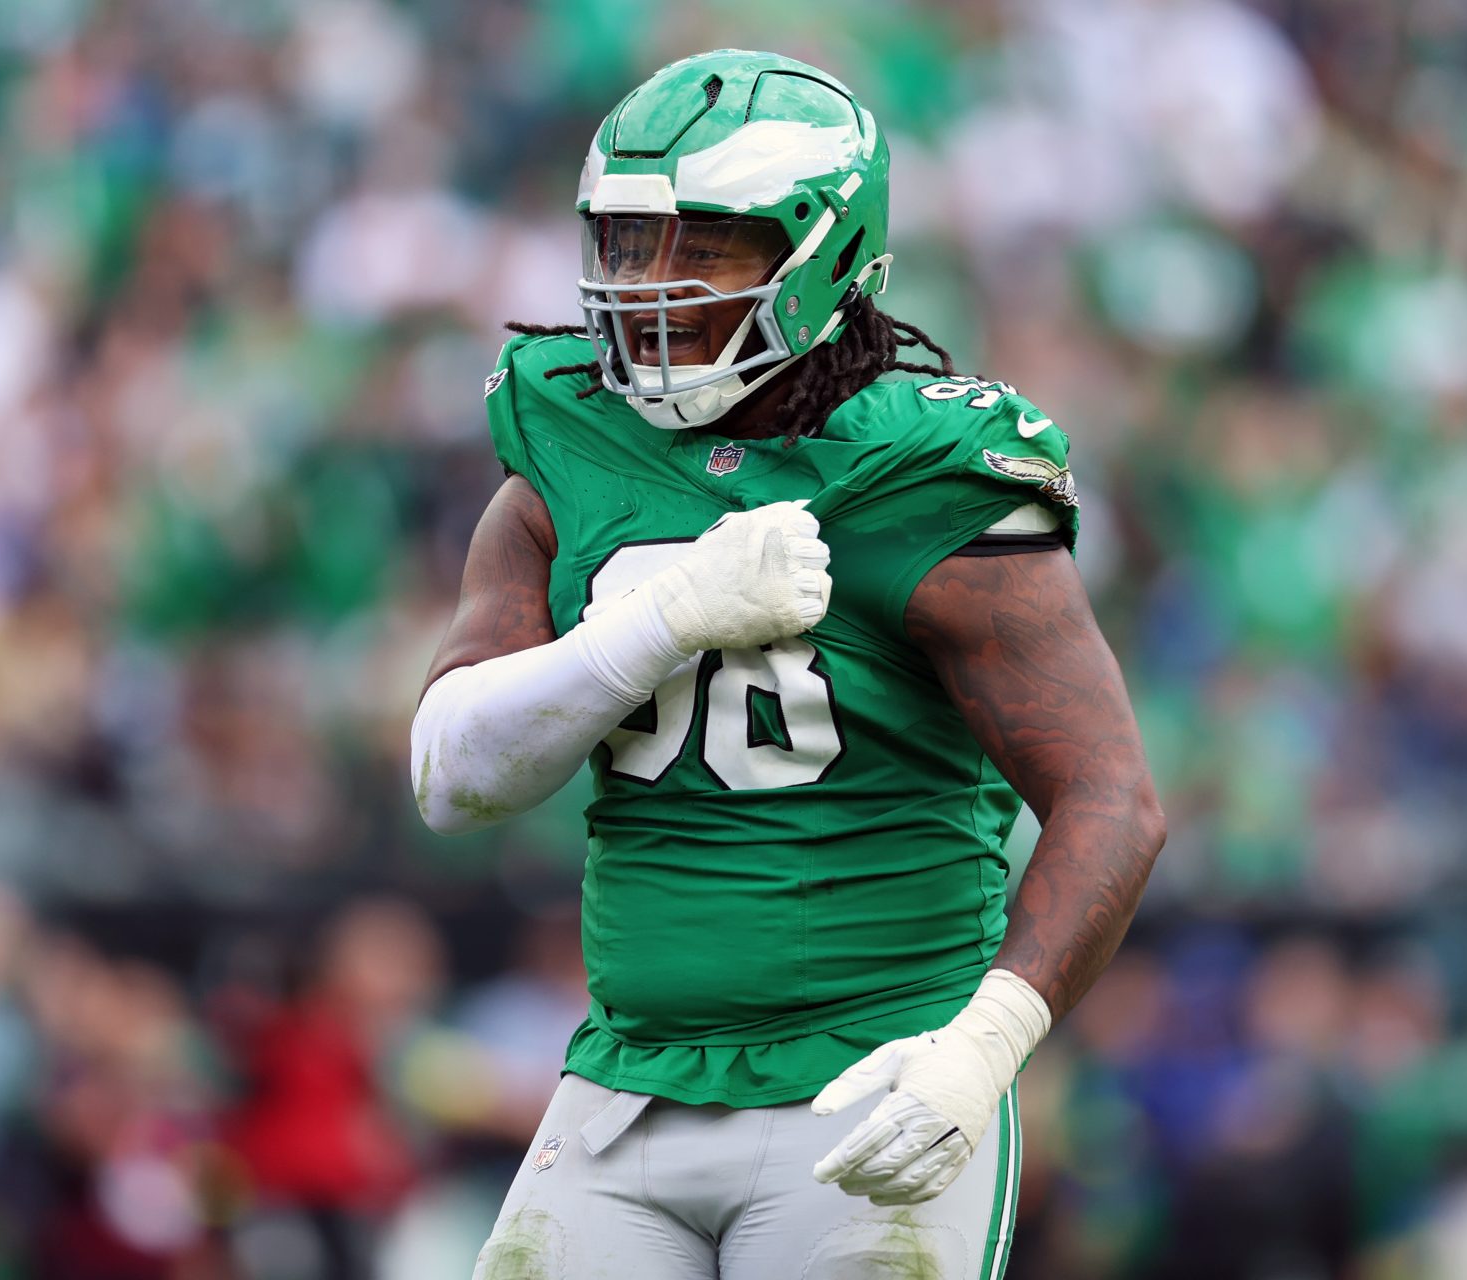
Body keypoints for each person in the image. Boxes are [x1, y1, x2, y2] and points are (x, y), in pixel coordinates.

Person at [411, 49, 1166, 1280]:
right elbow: (454, 779)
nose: (649, 288)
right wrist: (659, 622)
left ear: (820, 254)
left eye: (702, 247)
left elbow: (1112, 797)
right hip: (623, 1085)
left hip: (867, 1081)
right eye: (626, 244)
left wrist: (986, 1043)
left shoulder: (930, 471)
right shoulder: (566, 432)